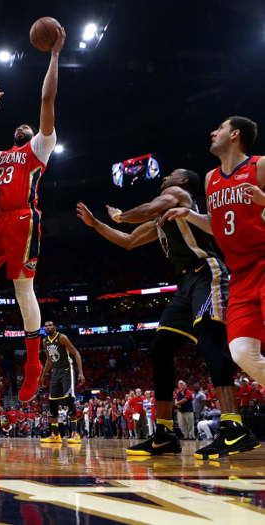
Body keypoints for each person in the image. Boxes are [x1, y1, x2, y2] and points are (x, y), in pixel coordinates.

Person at [77, 167, 257, 459]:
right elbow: (129, 241)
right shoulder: (162, 219)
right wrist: (96, 223)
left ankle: (234, 427)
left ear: (183, 181)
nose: (164, 178)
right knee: (160, 350)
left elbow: (148, 208)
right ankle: (163, 433)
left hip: (206, 272)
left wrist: (121, 215)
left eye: (171, 174)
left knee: (209, 341)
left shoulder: (177, 195)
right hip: (185, 283)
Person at [0, 27, 66, 404]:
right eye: (17, 127)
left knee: (21, 291)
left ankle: (32, 365)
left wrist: (54, 54)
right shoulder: (2, 156)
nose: (21, 127)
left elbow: (47, 97)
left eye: (25, 126)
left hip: (24, 218)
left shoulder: (40, 148)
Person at [160, 116, 264, 456]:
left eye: (218, 128)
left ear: (235, 135)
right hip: (240, 273)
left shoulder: (260, 166)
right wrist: (189, 216)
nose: (212, 132)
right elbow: (216, 225)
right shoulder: (210, 179)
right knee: (241, 352)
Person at [39, 321, 84, 445]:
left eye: (50, 325)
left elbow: (76, 353)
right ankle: (55, 435)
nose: (48, 327)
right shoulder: (45, 341)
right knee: (52, 402)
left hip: (66, 370)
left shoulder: (62, 337)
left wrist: (80, 372)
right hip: (55, 372)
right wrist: (43, 375)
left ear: (55, 327)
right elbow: (49, 360)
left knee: (69, 400)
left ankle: (75, 433)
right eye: (46, 326)